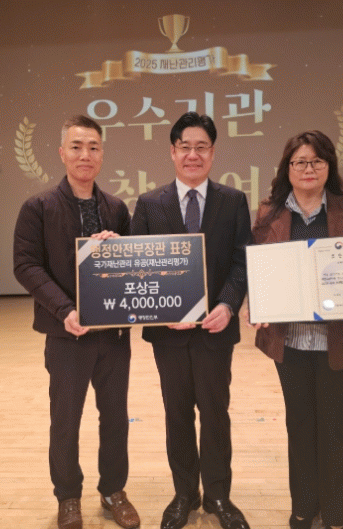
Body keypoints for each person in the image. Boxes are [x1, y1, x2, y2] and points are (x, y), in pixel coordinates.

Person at [248, 130, 343, 529]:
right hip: (289, 339)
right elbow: (259, 267)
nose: (308, 169)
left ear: (329, 165)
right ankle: (304, 508)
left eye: (316, 161)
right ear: (287, 168)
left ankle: (337, 514)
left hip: (339, 338)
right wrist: (257, 302)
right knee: (299, 425)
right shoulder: (269, 213)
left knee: (334, 426)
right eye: (299, 162)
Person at [13, 115, 140, 529]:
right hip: (66, 335)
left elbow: (133, 268)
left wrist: (121, 249)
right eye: (77, 146)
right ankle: (68, 496)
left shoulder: (116, 209)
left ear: (102, 154)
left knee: (115, 418)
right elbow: (26, 266)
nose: (85, 155)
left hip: (112, 336)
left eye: (93, 147)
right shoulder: (38, 208)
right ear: (62, 153)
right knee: (66, 420)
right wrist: (65, 310)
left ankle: (113, 490)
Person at [131, 112, 252, 529]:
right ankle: (185, 493)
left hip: (215, 330)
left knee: (216, 413)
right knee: (177, 413)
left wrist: (228, 305)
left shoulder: (233, 201)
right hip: (170, 336)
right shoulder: (149, 204)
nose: (193, 155)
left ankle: (218, 495)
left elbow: (241, 261)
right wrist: (161, 311)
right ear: (172, 151)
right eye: (185, 147)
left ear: (213, 153)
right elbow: (137, 267)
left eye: (202, 147)